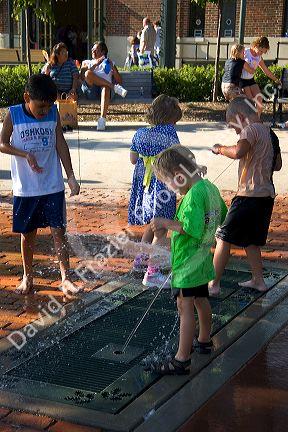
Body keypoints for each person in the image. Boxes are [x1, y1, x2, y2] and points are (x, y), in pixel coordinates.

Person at [147, 145, 227, 375]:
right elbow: (221, 214)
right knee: (201, 300)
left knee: (185, 307)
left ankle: (181, 359)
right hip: (202, 259)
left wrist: (165, 223)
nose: (170, 188)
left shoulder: (192, 196)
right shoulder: (209, 188)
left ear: (178, 174)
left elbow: (191, 228)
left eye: (169, 182)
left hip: (187, 263)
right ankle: (204, 340)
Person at [0, 74, 82, 297]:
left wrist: (71, 176)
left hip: (52, 185)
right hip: (26, 188)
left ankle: (66, 278)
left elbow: (60, 144)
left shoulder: (53, 113)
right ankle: (28, 276)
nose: (45, 111)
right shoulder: (14, 114)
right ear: (27, 97)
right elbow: (2, 143)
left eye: (49, 105)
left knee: (59, 231)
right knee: (28, 234)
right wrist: (24, 154)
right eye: (41, 106)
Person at [209, 96, 282, 296]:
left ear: (241, 117)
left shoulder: (250, 130)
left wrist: (220, 149)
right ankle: (259, 280)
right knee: (251, 240)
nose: (235, 131)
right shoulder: (270, 133)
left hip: (248, 195)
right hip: (266, 195)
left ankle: (213, 284)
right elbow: (277, 165)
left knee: (223, 236)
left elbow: (239, 151)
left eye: (234, 126)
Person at [128, 95, 181, 284]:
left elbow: (134, 160)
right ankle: (152, 272)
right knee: (160, 230)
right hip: (162, 187)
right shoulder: (170, 133)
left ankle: (140, 260)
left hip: (144, 188)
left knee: (152, 224)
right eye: (174, 121)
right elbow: (177, 159)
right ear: (170, 118)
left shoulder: (140, 133)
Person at [80, 41, 127, 131]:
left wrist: (113, 68)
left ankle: (102, 120)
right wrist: (96, 64)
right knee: (88, 73)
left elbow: (119, 81)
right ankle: (114, 87)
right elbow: (82, 77)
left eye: (95, 50)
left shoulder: (110, 63)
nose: (92, 51)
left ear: (103, 52)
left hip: (105, 93)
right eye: (92, 49)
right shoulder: (86, 62)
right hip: (91, 91)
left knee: (105, 88)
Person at [239, 36, 281, 116]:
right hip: (242, 80)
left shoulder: (259, 58)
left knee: (259, 101)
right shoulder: (245, 52)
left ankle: (256, 120)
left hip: (251, 80)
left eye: (263, 52)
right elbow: (235, 62)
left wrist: (276, 79)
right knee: (250, 101)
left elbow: (266, 71)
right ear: (256, 45)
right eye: (260, 51)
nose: (260, 54)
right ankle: (249, 122)